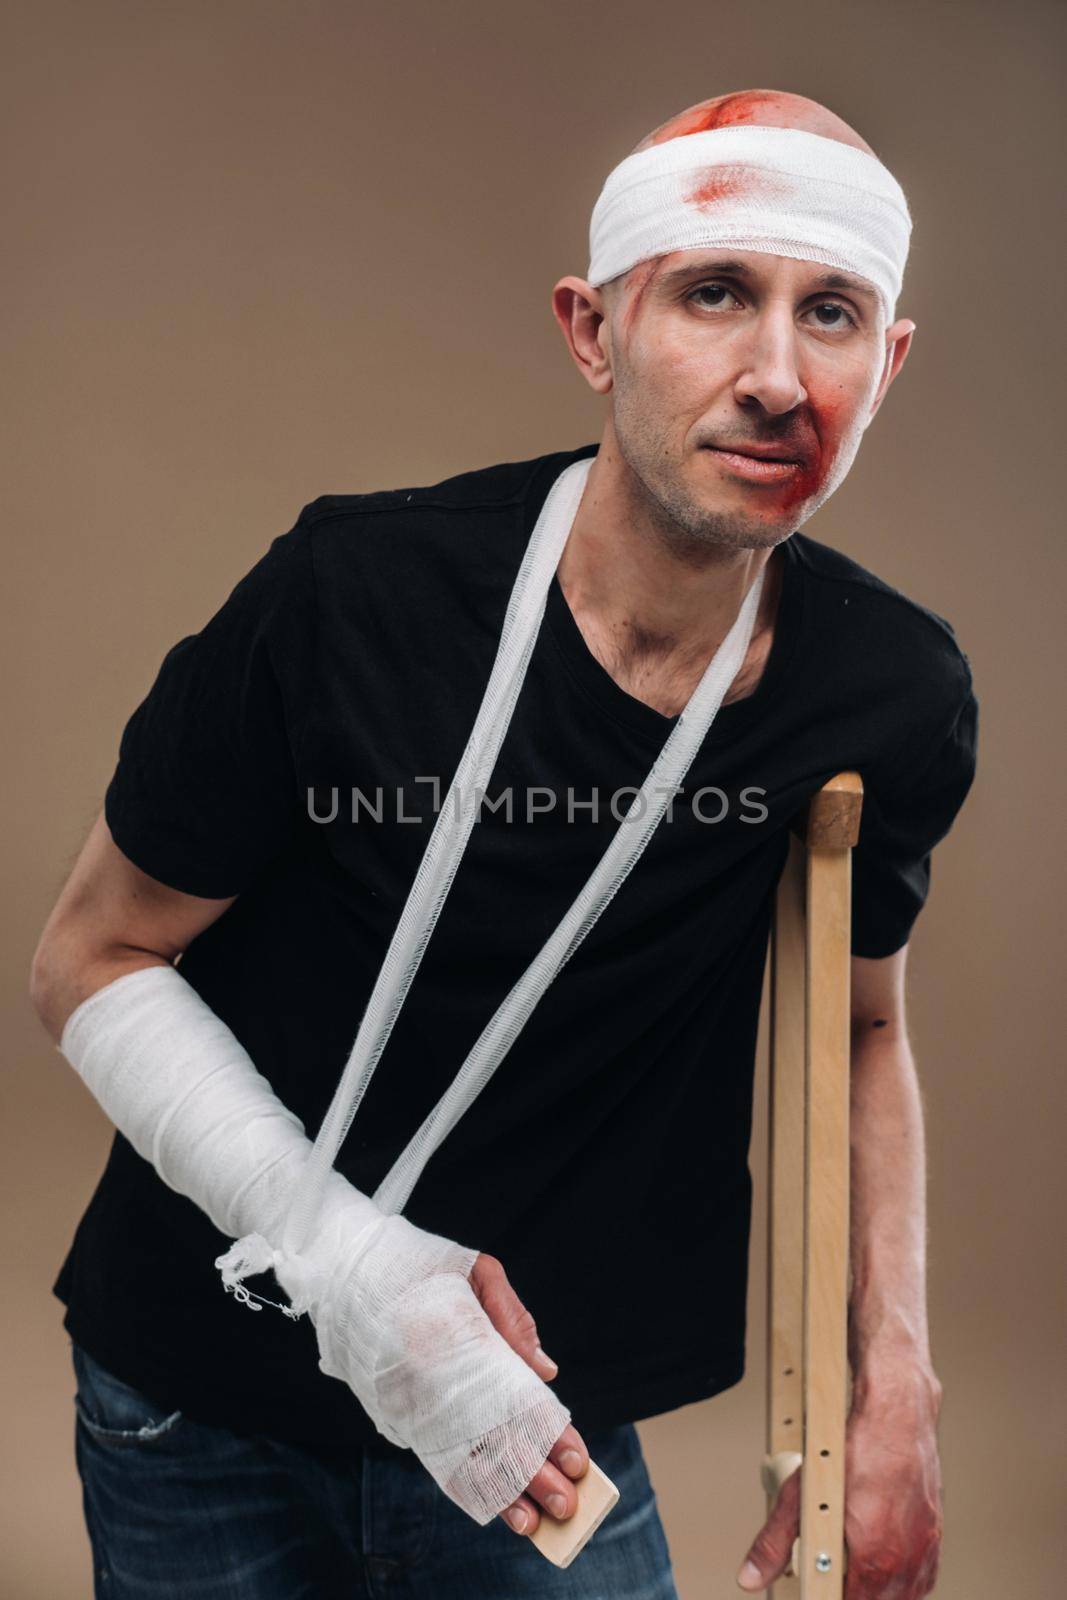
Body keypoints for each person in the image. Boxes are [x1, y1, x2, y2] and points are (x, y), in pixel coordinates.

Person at [30, 87, 977, 1599]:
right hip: (196, 1394)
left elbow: (860, 1029)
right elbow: (91, 958)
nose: (780, 377)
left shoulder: (886, 692)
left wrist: (896, 1388)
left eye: (838, 314)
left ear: (892, 362)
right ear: (593, 329)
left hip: (538, 1433)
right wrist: (336, 1252)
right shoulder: (354, 597)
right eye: (716, 294)